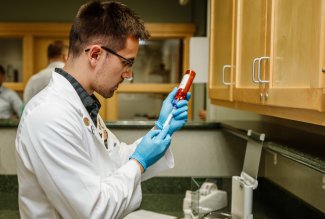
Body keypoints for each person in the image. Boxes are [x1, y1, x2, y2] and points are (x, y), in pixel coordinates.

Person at [15, 1, 191, 219]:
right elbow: (93, 212)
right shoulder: (48, 116)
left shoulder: (83, 106)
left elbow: (113, 161)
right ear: (95, 55)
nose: (128, 75)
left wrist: (162, 128)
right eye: (127, 63)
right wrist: (139, 162)